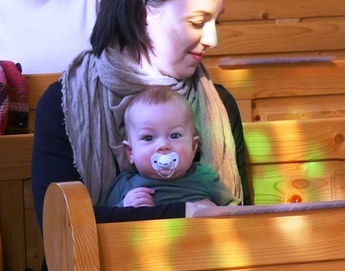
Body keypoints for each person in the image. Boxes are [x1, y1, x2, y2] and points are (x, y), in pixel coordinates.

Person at [31, 0, 250, 232]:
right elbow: (58, 222)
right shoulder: (65, 104)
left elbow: (243, 217)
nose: (212, 39)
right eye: (198, 22)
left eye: (217, 22)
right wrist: (186, 212)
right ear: (143, 14)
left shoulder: (220, 104)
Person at [98, 85, 241, 208]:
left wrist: (215, 213)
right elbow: (101, 220)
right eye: (148, 138)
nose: (163, 145)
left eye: (174, 136)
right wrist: (124, 206)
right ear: (130, 153)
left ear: (193, 146)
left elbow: (234, 212)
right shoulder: (125, 184)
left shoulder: (205, 178)